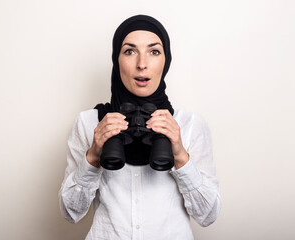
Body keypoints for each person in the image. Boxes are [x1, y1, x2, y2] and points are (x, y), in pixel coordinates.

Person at [59, 14, 221, 240]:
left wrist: (181, 156)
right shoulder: (89, 123)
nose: (142, 64)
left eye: (154, 51)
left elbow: (208, 216)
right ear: (117, 60)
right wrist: (94, 155)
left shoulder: (190, 124)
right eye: (130, 51)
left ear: (166, 61)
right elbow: (70, 213)